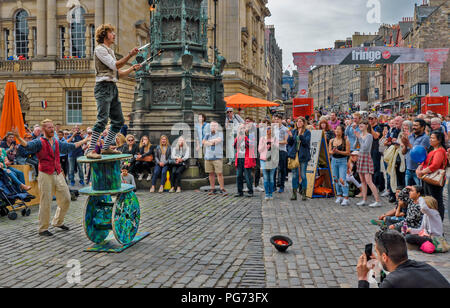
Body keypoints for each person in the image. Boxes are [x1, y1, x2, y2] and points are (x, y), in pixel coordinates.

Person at [12, 120, 89, 236]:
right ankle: (43, 228)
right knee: (45, 201)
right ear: (43, 130)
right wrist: (18, 137)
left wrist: (84, 140)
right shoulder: (39, 142)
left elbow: (70, 146)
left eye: (52, 127)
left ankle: (58, 222)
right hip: (45, 174)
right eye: (49, 128)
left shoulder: (57, 142)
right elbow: (27, 146)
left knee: (66, 198)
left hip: (57, 173)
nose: (52, 129)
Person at [85, 24, 141, 159]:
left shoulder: (109, 51)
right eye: (111, 32)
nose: (114, 35)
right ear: (104, 35)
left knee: (119, 121)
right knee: (102, 120)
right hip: (103, 87)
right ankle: (91, 150)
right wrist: (130, 55)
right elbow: (115, 65)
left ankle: (105, 148)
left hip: (112, 87)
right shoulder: (100, 49)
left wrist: (132, 68)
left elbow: (119, 73)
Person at [357, 230, 450, 288]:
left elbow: (393, 281)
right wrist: (378, 269)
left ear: (384, 257)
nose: (377, 257)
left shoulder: (392, 282)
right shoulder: (425, 267)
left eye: (377, 252)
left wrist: (363, 278)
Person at [416, 131, 447, 221]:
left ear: (439, 140)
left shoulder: (440, 151)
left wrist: (422, 172)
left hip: (434, 178)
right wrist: (419, 168)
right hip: (427, 177)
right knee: (428, 199)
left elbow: (435, 165)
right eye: (430, 137)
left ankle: (438, 220)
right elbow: (424, 161)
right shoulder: (432, 149)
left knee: (436, 200)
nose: (430, 139)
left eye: (433, 138)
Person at [355, 120, 381, 207]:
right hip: (360, 157)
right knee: (362, 180)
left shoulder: (369, 136)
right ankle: (364, 199)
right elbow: (356, 146)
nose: (360, 126)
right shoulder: (360, 135)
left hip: (366, 157)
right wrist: (357, 138)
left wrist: (359, 138)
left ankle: (377, 200)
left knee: (369, 180)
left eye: (362, 124)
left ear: (366, 126)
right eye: (359, 124)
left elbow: (365, 147)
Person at [287, 117, 311, 201]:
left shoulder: (307, 132)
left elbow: (306, 143)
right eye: (297, 121)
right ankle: (294, 194)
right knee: (294, 175)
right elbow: (289, 143)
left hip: (303, 156)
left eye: (300, 121)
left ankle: (304, 194)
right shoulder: (294, 131)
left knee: (303, 175)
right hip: (294, 155)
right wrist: (290, 137)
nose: (298, 123)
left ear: (304, 123)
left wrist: (300, 135)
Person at [401, 119, 430, 186]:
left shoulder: (425, 138)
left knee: (418, 191)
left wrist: (408, 144)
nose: (413, 127)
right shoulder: (410, 136)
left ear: (422, 127)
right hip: (408, 169)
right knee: (408, 191)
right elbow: (403, 152)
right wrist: (405, 145)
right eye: (413, 125)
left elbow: (420, 153)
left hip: (418, 170)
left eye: (416, 125)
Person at [203, 121, 226, 195]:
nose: (213, 127)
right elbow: (203, 142)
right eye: (212, 126)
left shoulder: (220, 133)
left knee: (219, 173)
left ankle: (222, 188)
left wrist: (209, 142)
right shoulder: (207, 134)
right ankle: (212, 189)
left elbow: (218, 140)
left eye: (215, 126)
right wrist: (211, 142)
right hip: (208, 156)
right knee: (211, 174)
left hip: (217, 157)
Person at [329, 125, 351, 206]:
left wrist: (339, 152)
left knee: (342, 179)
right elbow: (329, 151)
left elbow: (348, 152)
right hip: (334, 161)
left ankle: (346, 197)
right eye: (336, 129)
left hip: (342, 161)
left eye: (339, 129)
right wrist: (334, 152)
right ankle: (339, 195)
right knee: (335, 178)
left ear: (342, 132)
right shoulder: (331, 140)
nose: (337, 130)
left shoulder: (346, 141)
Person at [234, 124, 255, 198]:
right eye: (240, 128)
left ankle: (250, 191)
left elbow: (251, 145)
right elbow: (234, 146)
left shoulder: (248, 138)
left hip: (246, 159)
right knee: (238, 176)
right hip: (239, 158)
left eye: (243, 128)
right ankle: (239, 191)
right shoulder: (237, 138)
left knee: (247, 176)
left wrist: (246, 136)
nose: (241, 130)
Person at [258, 122, 278, 200]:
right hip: (264, 160)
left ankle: (271, 193)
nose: (267, 130)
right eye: (266, 129)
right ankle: (267, 194)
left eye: (269, 129)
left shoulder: (275, 138)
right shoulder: (262, 138)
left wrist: (272, 145)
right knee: (266, 178)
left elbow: (277, 149)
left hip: (272, 160)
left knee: (271, 178)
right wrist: (265, 144)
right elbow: (260, 150)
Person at [368, 114, 385, 194]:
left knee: (376, 167)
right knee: (371, 168)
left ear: (375, 119)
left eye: (372, 118)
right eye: (369, 119)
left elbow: (376, 136)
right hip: (370, 149)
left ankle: (377, 185)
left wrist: (370, 128)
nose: (370, 120)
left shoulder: (378, 127)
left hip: (376, 149)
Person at [273, 114, 289, 193]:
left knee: (282, 169)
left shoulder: (285, 129)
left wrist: (276, 142)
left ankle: (281, 185)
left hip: (282, 151)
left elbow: (285, 141)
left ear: (281, 120)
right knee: (274, 169)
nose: (276, 121)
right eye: (275, 119)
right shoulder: (273, 129)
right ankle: (274, 186)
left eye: (278, 119)